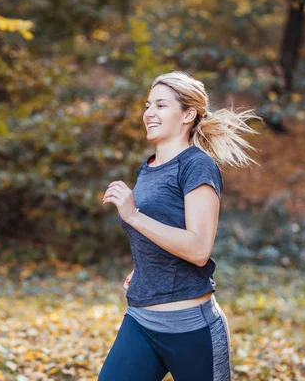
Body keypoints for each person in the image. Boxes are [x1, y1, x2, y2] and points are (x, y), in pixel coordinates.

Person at [99, 70, 262, 381]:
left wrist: (133, 214)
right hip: (141, 320)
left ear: (188, 114)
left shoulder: (197, 166)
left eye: (160, 105)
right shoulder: (147, 168)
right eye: (148, 105)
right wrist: (147, 265)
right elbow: (161, 230)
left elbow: (199, 249)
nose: (148, 113)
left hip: (191, 326)